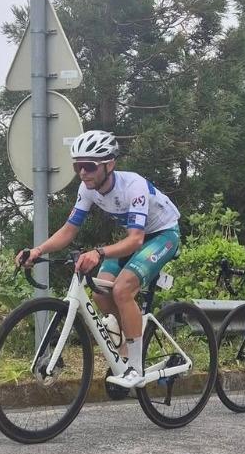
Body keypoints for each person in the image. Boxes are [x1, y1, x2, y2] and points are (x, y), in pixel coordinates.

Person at [16, 130, 181, 388]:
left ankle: (136, 367)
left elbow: (136, 240)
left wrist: (99, 252)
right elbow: (69, 230)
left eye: (89, 166)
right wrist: (38, 250)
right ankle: (128, 342)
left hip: (162, 235)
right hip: (135, 238)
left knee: (123, 289)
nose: (83, 173)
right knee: (101, 291)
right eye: (78, 166)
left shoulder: (133, 187)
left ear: (109, 165)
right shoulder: (87, 188)